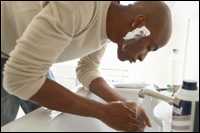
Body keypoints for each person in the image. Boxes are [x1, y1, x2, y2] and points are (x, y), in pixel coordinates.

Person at [2, 1, 172, 132]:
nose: (143, 57)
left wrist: (125, 104)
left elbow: (87, 69)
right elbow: (18, 79)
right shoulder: (80, 6)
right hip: (5, 52)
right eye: (149, 48)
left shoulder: (108, 28)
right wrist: (103, 112)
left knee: (47, 117)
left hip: (28, 59)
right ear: (138, 24)